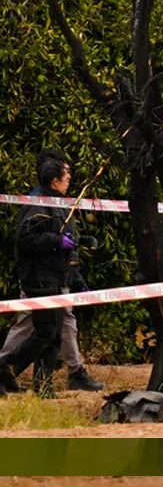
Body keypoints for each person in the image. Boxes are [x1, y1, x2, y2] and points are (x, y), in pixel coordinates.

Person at [0, 150, 104, 393]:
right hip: (39, 278)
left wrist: (75, 273)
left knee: (57, 330)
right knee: (43, 330)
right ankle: (6, 369)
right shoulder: (38, 203)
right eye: (66, 176)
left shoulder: (58, 203)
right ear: (53, 180)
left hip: (57, 277)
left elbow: (65, 240)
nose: (70, 180)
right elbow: (27, 239)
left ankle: (46, 384)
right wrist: (57, 241)